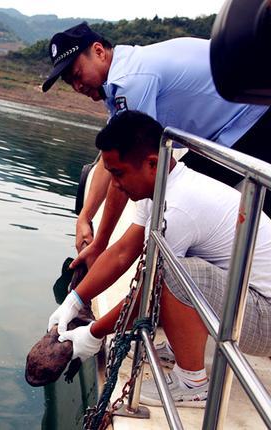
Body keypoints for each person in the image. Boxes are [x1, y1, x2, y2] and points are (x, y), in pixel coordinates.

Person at [48, 111, 271, 407]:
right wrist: (74, 300)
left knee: (174, 272)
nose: (114, 184)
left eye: (118, 173)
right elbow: (123, 252)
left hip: (264, 317)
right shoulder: (160, 187)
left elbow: (150, 292)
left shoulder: (178, 208)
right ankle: (182, 347)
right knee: (170, 269)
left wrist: (93, 332)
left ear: (152, 163)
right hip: (244, 303)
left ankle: (193, 384)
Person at [42, 22, 271, 268]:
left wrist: (100, 244)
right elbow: (108, 158)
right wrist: (85, 217)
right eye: (70, 82)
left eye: (77, 75)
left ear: (99, 51)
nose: (78, 87)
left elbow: (124, 165)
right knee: (172, 192)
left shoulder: (131, 80)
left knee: (177, 197)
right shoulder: (124, 72)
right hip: (231, 126)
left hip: (255, 119)